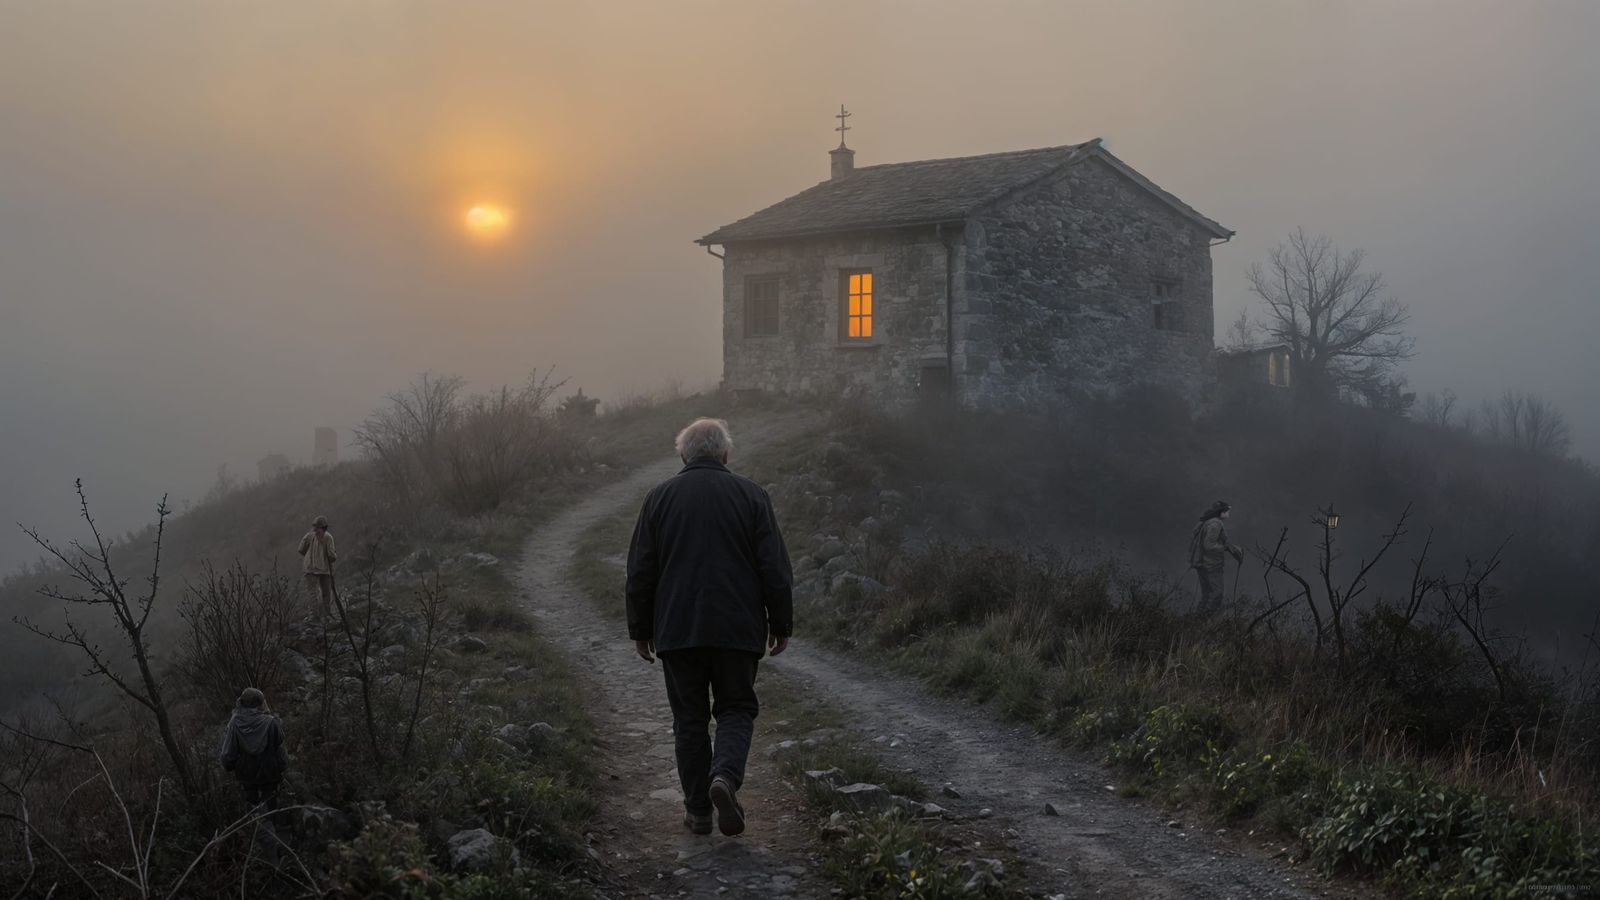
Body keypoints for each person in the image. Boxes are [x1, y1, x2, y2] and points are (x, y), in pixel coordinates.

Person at [625, 418, 793, 837]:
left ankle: (699, 811)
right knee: (736, 708)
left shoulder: (658, 498)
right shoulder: (752, 495)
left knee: (689, 720)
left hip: (678, 629)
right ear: (725, 454)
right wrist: (781, 622)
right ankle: (725, 778)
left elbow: (641, 570)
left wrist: (640, 628)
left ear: (684, 455)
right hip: (737, 628)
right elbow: (774, 568)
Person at [218, 687, 289, 861]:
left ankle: (262, 847)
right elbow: (280, 750)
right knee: (270, 806)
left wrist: (229, 766)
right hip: (269, 773)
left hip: (247, 776)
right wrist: (283, 767)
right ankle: (276, 847)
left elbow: (227, 754)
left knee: (253, 809)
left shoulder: (235, 723)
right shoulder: (271, 722)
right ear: (260, 703)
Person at [1189, 500, 1244, 616]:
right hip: (1211, 564)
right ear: (1221, 512)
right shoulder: (1215, 524)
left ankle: (1197, 619)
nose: (1228, 514)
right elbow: (1209, 545)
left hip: (1202, 564)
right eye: (1226, 511)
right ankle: (1205, 618)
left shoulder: (1206, 522)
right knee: (1217, 593)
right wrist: (1225, 548)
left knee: (1206, 594)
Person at [297, 516, 337, 612]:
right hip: (324, 569)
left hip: (310, 568)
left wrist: (309, 555)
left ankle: (314, 615)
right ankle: (326, 614)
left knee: (312, 593)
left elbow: (301, 549)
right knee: (326, 593)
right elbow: (332, 556)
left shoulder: (309, 536)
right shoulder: (328, 537)